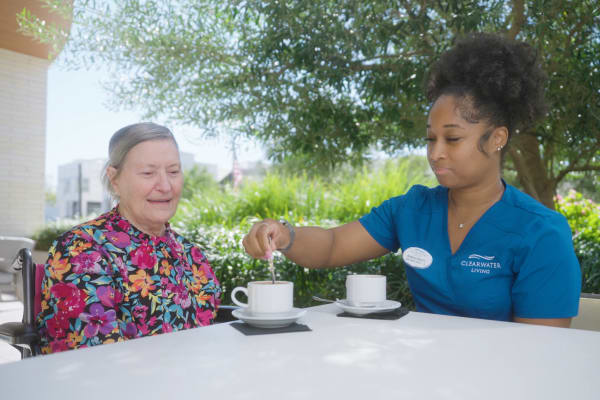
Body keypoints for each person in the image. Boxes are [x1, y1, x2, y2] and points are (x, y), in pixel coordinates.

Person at [242, 33, 581, 327]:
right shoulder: (412, 209)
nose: (436, 154)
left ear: (497, 139)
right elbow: (333, 246)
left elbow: (539, 348)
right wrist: (285, 236)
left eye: (453, 139)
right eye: (430, 139)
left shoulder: (542, 234)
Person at [37, 123, 221, 354]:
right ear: (115, 180)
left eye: (173, 171)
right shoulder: (81, 250)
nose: (165, 186)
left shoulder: (191, 254)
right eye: (148, 173)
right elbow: (90, 360)